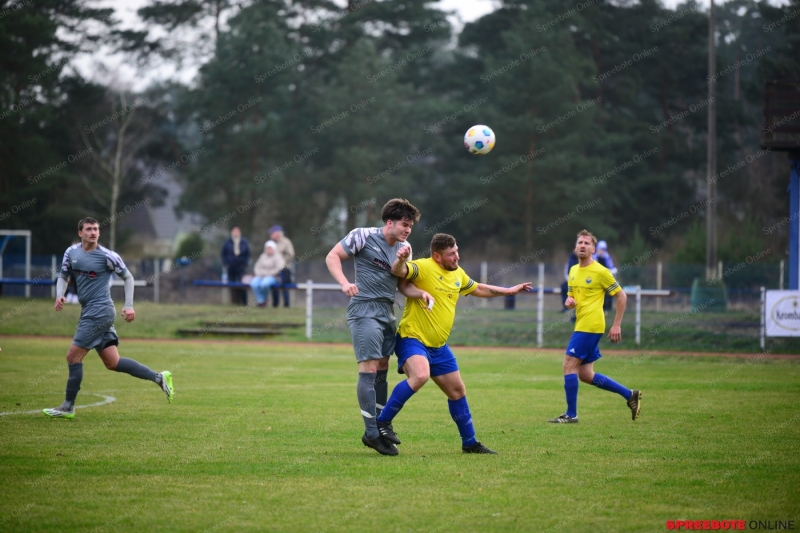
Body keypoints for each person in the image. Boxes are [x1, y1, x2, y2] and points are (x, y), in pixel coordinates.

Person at [377, 233, 533, 454]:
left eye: (457, 251)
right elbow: (398, 273)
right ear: (437, 257)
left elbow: (477, 288)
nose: (457, 256)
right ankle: (382, 422)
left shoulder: (458, 274)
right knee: (420, 376)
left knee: (458, 391)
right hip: (412, 339)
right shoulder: (423, 266)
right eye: (452, 254)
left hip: (439, 346)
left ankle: (469, 443)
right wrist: (401, 259)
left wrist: (509, 291)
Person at [325, 198, 432, 456]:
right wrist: (343, 283)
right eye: (404, 224)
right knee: (369, 368)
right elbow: (332, 256)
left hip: (387, 311)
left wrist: (420, 294)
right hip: (364, 309)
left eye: (411, 226)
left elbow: (401, 284)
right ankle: (371, 432)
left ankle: (382, 426)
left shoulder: (404, 247)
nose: (408, 230)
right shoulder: (362, 235)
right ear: (389, 222)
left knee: (383, 366)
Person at [43, 217, 173, 419]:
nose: (93, 232)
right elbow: (63, 275)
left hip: (100, 312)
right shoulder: (71, 253)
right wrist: (60, 294)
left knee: (73, 356)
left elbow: (128, 277)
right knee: (113, 362)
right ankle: (159, 378)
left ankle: (68, 406)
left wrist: (129, 306)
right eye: (89, 229)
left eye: (96, 229)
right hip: (89, 311)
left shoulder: (108, 256)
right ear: (80, 233)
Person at [547, 229, 640, 424]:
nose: (582, 246)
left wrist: (617, 325)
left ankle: (571, 415)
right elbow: (571, 297)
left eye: (587, 243)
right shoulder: (573, 270)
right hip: (581, 323)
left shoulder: (601, 272)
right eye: (580, 242)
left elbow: (621, 296)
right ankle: (629, 395)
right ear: (575, 248)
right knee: (585, 375)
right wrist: (569, 302)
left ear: (593, 249)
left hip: (592, 325)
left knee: (568, 365)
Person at [221, 225, 251, 306]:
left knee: (243, 285)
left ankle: (244, 303)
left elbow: (248, 254)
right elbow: (223, 254)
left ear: (240, 232)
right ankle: (234, 303)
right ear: (232, 232)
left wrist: (244, 264)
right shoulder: (227, 242)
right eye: (234, 231)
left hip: (241, 267)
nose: (236, 233)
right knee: (232, 285)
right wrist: (226, 263)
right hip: (231, 267)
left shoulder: (244, 242)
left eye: (237, 231)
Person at [251, 240, 285, 308]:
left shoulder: (278, 256)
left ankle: (262, 301)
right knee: (253, 283)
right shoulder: (262, 256)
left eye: (270, 248)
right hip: (261, 276)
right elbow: (257, 267)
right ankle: (261, 301)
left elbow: (279, 268)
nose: (269, 250)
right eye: (267, 248)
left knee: (264, 284)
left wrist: (268, 274)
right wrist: (260, 274)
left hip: (273, 277)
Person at [268, 225, 295, 308]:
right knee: (274, 285)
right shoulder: (271, 243)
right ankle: (275, 304)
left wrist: (282, 262)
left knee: (284, 286)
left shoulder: (286, 242)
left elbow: (291, 254)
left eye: (272, 233)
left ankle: (286, 304)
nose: (270, 235)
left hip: (284, 268)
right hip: (273, 269)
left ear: (277, 233)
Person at [594, 240, 618, 313]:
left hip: (605, 280)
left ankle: (606, 308)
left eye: (603, 249)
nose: (601, 251)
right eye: (600, 249)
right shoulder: (594, 257)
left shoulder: (607, 257)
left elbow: (612, 269)